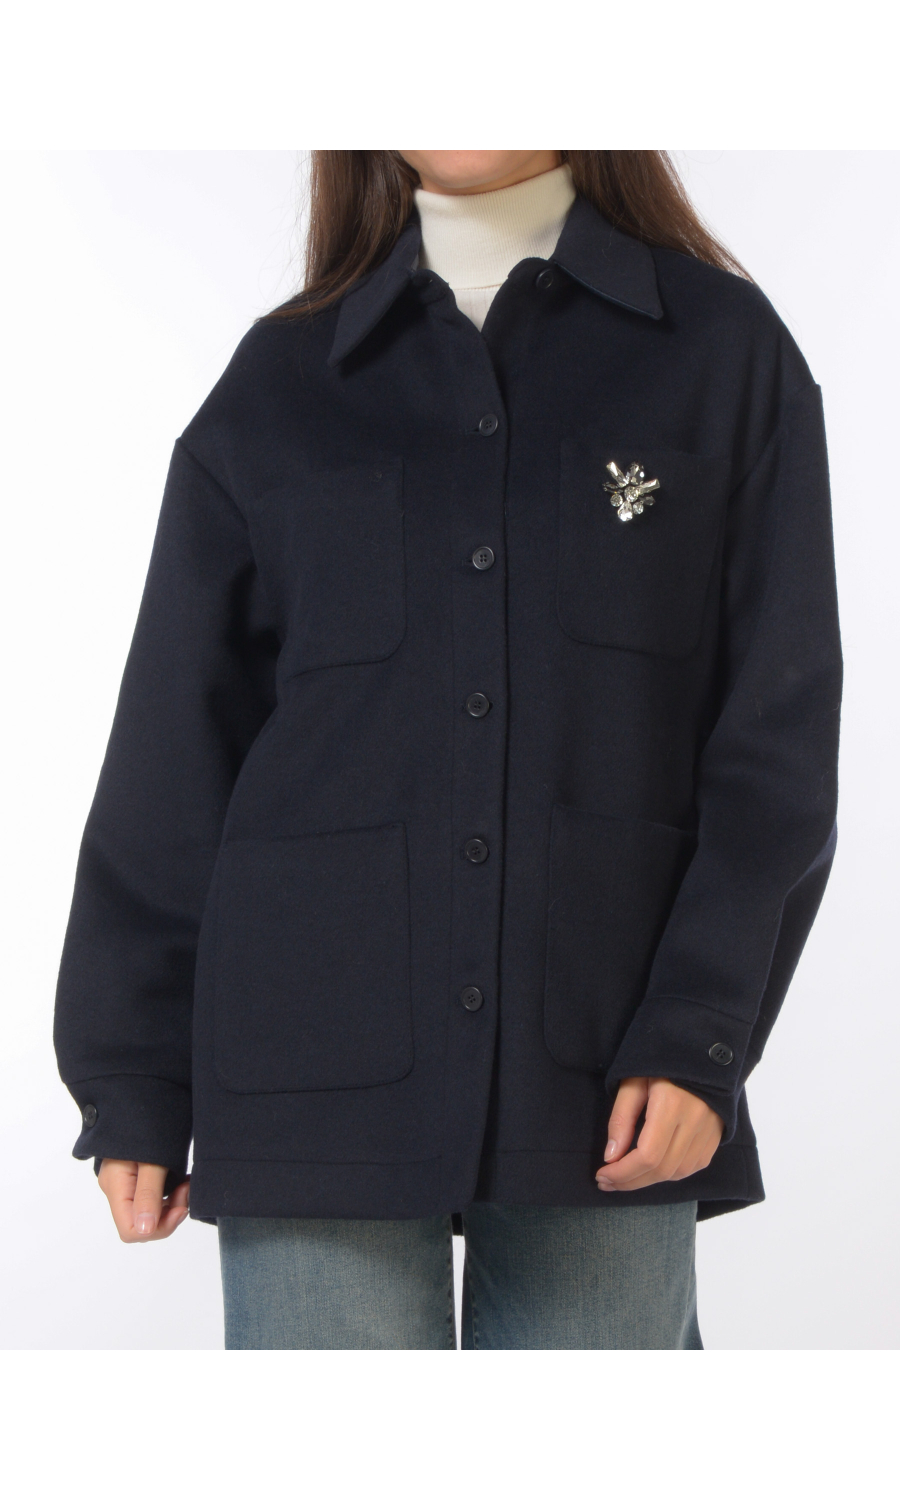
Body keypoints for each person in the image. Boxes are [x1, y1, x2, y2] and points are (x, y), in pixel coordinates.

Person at [53, 150, 842, 1349]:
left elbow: (775, 744)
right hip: (309, 1064)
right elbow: (175, 750)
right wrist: (133, 1075)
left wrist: (700, 1033)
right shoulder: (280, 378)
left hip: (611, 1062)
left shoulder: (721, 350)